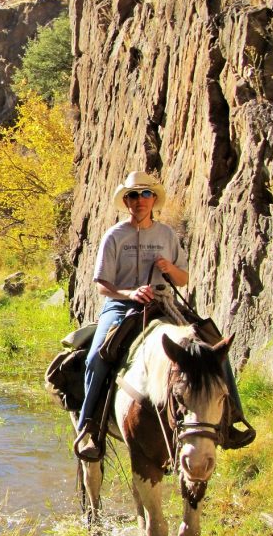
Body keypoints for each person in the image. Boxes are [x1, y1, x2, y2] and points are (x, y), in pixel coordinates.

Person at [74, 171, 254, 461]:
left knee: (214, 346)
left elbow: (182, 279)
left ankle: (232, 420)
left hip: (165, 303)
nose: (139, 200)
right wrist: (129, 293)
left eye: (145, 194)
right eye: (133, 195)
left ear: (154, 199)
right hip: (122, 306)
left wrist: (169, 269)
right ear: (127, 201)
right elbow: (101, 283)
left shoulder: (167, 235)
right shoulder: (114, 236)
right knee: (97, 356)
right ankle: (89, 430)